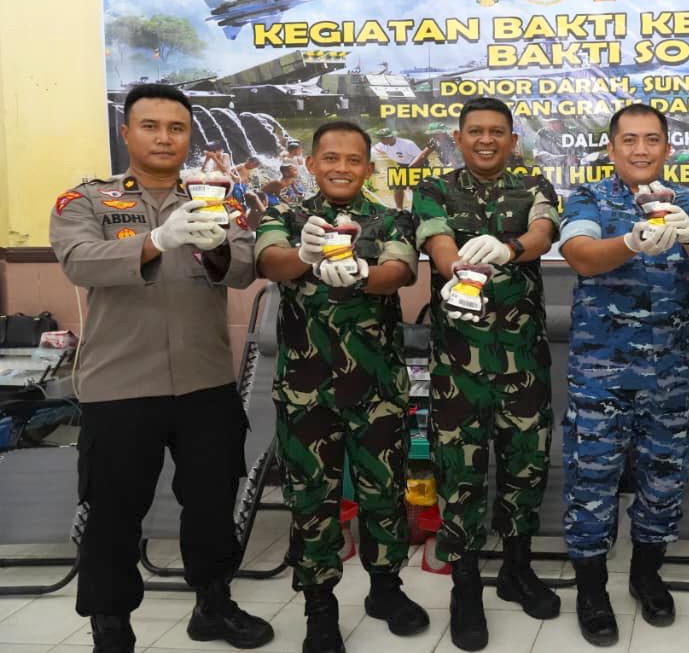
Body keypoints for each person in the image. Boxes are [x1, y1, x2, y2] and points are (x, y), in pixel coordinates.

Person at [49, 83, 273, 653]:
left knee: (212, 503)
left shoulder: (216, 198)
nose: (164, 138)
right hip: (121, 385)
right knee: (113, 511)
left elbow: (245, 269)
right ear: (126, 133)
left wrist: (216, 245)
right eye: (150, 126)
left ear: (188, 136)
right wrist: (155, 240)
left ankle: (213, 605)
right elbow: (78, 262)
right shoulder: (87, 201)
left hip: (205, 382)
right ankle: (110, 626)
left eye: (177, 128)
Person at [255, 121, 428, 653]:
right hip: (306, 389)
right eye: (330, 157)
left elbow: (400, 270)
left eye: (354, 160)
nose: (341, 168)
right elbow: (269, 261)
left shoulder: (391, 218)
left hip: (377, 389)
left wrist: (360, 274)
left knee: (383, 493)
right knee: (312, 498)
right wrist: (306, 256)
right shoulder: (286, 216)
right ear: (312, 164)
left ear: (368, 168)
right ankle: (319, 606)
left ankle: (385, 590)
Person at [558, 103, 689, 645]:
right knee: (591, 484)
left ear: (667, 148)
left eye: (651, 139)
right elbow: (581, 255)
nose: (640, 149)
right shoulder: (589, 198)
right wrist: (630, 241)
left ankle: (646, 576)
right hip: (599, 377)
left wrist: (687, 232)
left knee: (664, 481)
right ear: (611, 149)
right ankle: (591, 590)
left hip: (668, 378)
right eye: (628, 140)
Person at [411, 97, 562, 650]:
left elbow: (543, 233)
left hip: (523, 360)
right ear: (459, 137)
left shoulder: (533, 184)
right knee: (460, 475)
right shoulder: (435, 189)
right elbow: (439, 247)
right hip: (459, 367)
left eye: (497, 132)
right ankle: (466, 585)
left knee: (527, 467)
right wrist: (461, 264)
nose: (486, 140)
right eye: (475, 131)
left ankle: (517, 570)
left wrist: (509, 246)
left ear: (512, 140)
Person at [372, 128, 423, 208]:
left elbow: (421, 157)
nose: (381, 140)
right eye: (380, 138)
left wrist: (412, 172)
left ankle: (418, 207)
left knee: (415, 188)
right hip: (402, 165)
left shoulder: (408, 144)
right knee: (397, 186)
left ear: (390, 137)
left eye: (382, 138)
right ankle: (399, 209)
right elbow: (370, 153)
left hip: (417, 164)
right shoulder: (382, 145)